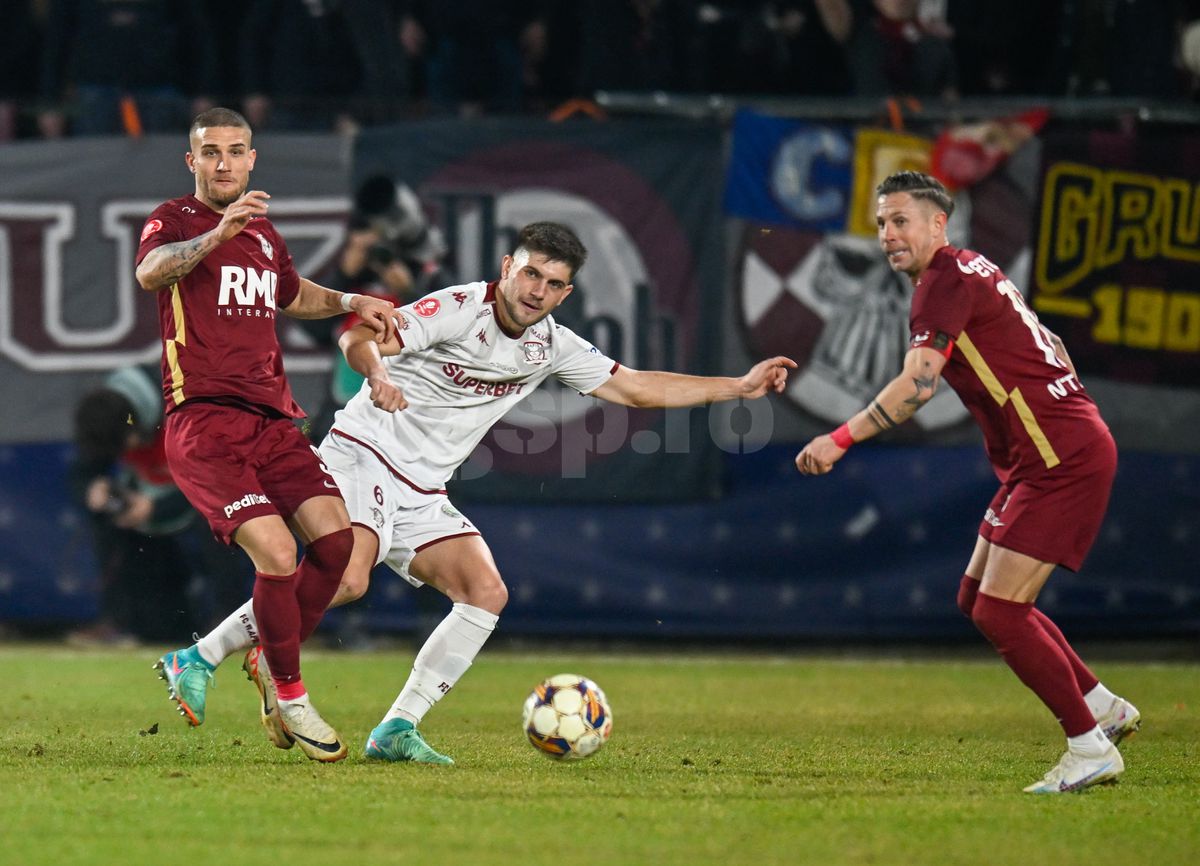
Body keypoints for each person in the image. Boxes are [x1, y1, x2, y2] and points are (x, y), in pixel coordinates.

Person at [165, 221, 796, 764]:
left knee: (485, 592)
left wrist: (738, 387)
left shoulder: (552, 346)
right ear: (507, 268)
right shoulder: (459, 308)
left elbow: (632, 388)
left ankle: (397, 727)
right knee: (348, 579)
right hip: (365, 454)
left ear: (566, 293)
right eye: (530, 275)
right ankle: (205, 655)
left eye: (552, 285)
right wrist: (380, 374)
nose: (537, 292)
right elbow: (358, 335)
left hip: (423, 490)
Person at [795, 171, 1139, 794]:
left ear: (937, 224)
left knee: (1003, 613)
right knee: (975, 599)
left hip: (1059, 456)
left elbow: (918, 386)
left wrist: (837, 439)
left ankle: (1088, 747)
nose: (887, 235)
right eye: (880, 223)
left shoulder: (942, 282)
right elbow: (1051, 339)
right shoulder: (974, 268)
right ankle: (1103, 707)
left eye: (900, 221)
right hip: (1051, 450)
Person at [136, 107, 396, 763]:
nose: (223, 162)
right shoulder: (176, 220)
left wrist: (348, 301)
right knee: (278, 555)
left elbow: (289, 292)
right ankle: (291, 693)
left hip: (274, 420)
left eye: (235, 151)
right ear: (191, 161)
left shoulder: (264, 236)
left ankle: (246, 657)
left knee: (339, 547)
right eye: (210, 152)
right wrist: (215, 233)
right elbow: (152, 271)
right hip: (205, 420)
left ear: (253, 159)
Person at [68, 365, 250, 646]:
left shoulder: (187, 403)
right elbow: (86, 469)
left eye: (127, 445)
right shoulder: (108, 414)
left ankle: (233, 623)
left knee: (219, 521)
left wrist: (157, 507)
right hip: (150, 490)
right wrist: (93, 488)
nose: (128, 451)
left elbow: (221, 479)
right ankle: (119, 621)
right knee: (108, 518)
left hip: (218, 488)